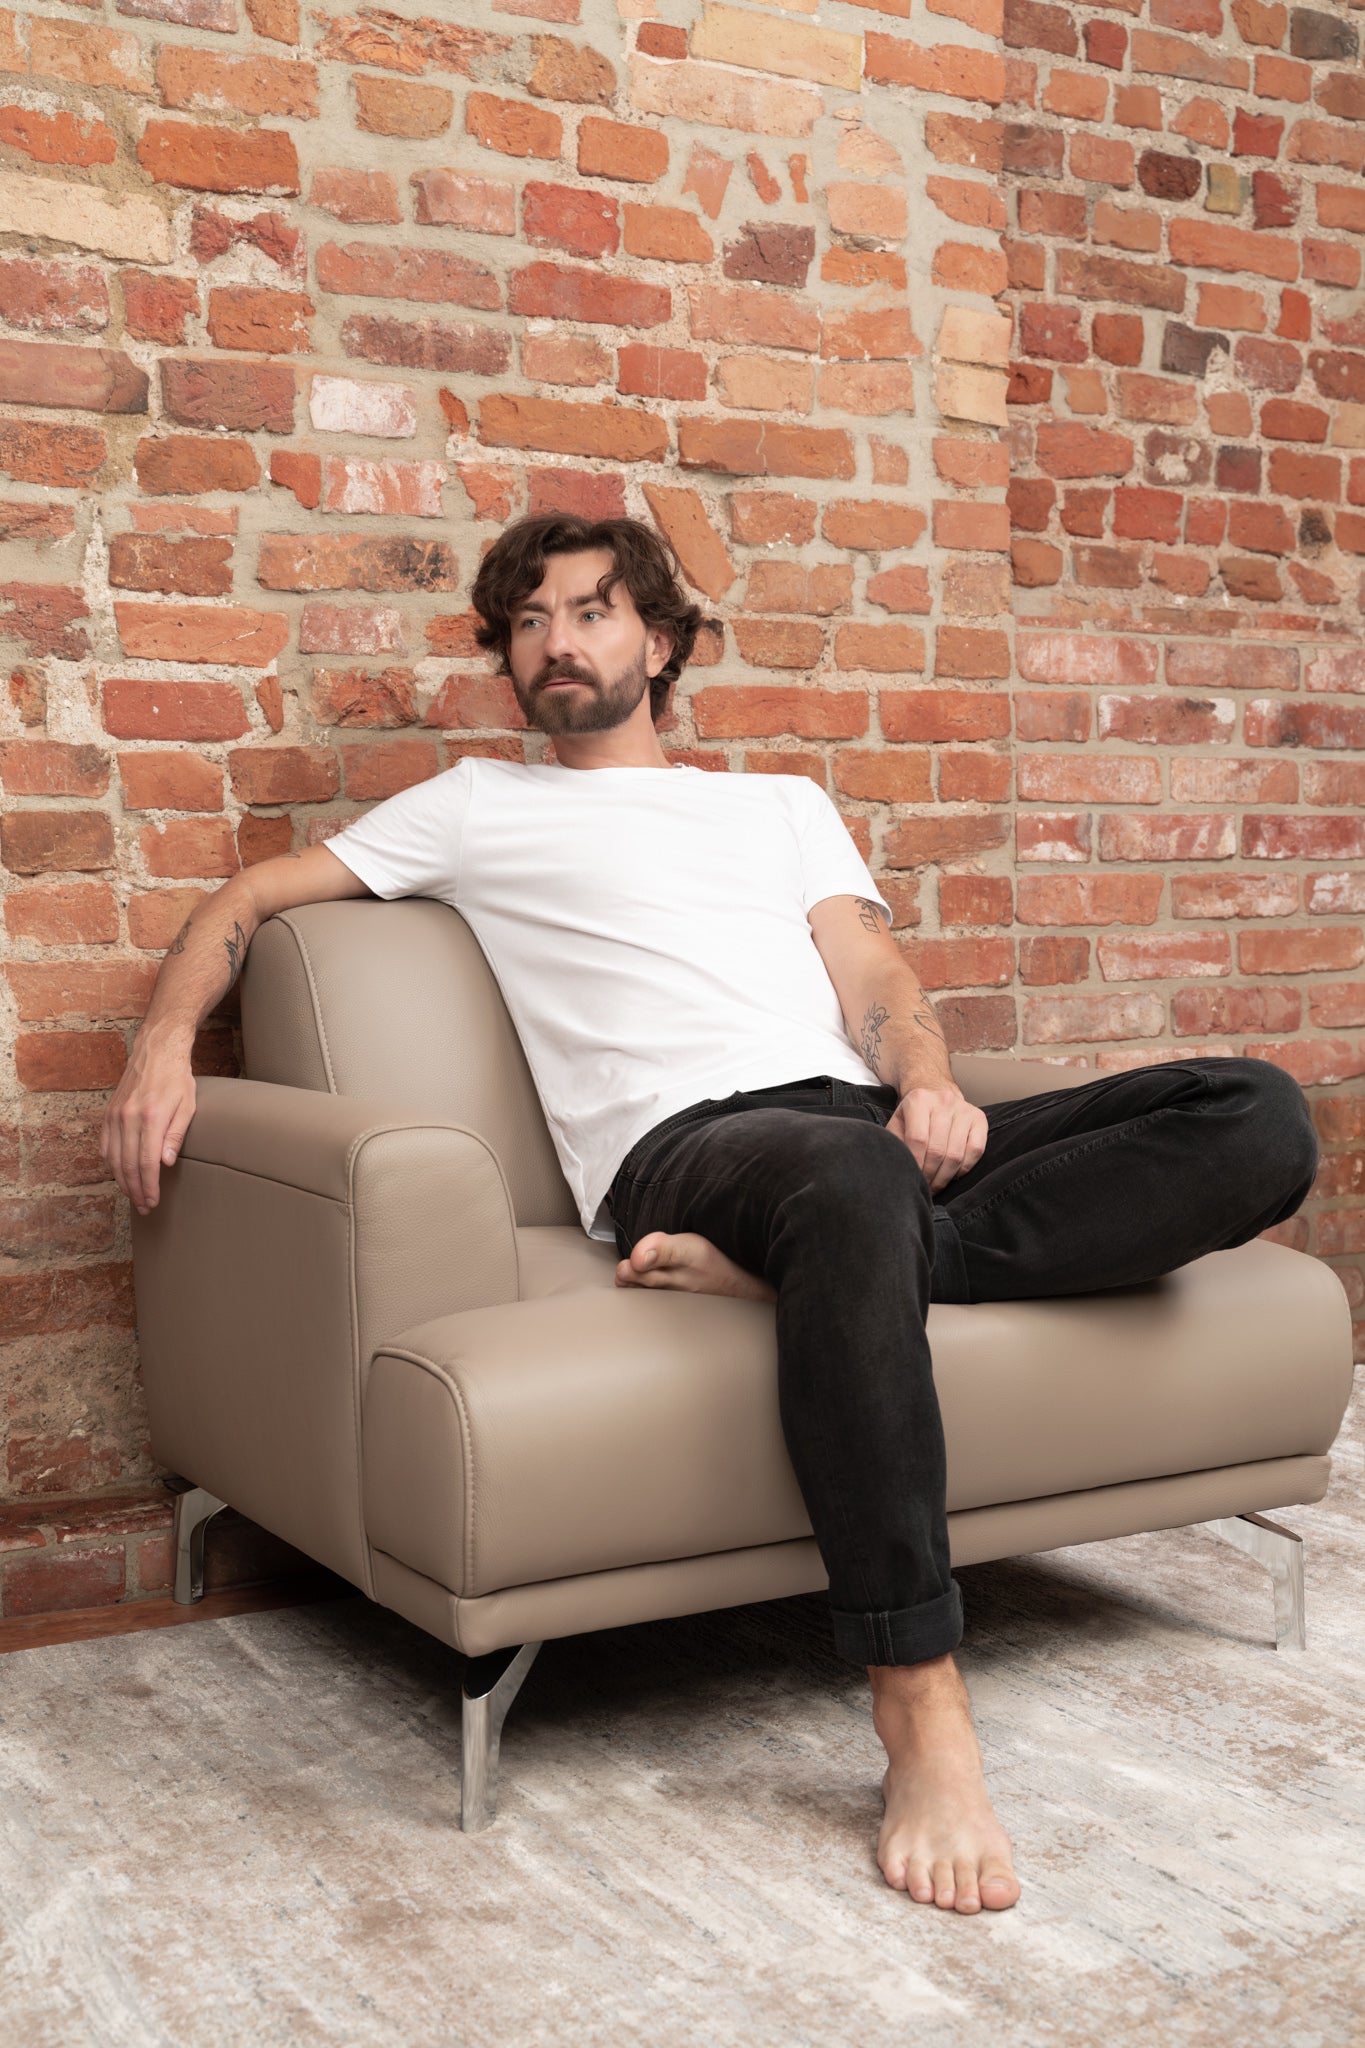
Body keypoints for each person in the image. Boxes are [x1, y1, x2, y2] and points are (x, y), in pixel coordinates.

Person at [103, 513, 1320, 1916]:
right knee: (850, 1183)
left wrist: (928, 1086)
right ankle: (918, 1696)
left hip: (856, 1129)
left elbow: (875, 978)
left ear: (662, 643)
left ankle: (827, 1268)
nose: (557, 642)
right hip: (687, 1148)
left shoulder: (780, 807)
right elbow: (252, 896)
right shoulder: (477, 806)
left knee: (1253, 1114)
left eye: (592, 611)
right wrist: (161, 1047)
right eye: (528, 621)